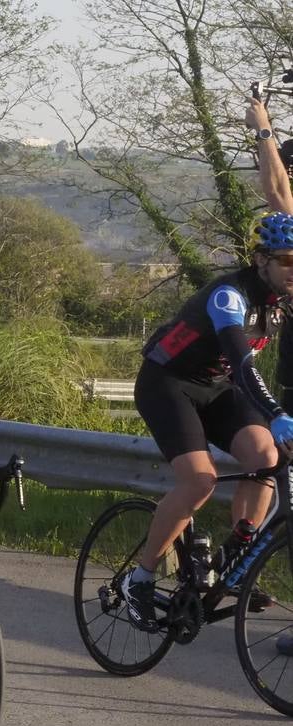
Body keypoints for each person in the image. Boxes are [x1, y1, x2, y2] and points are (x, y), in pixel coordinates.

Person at [120, 211, 293, 630]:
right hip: (167, 382)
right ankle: (140, 579)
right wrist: (276, 414)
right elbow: (243, 362)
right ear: (260, 260)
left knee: (265, 455)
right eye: (287, 259)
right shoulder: (229, 296)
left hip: (215, 386)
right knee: (200, 481)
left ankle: (232, 563)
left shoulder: (283, 298)